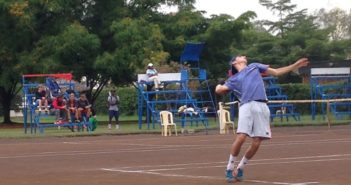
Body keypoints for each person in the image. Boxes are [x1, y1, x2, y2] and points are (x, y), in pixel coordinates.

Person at [215, 55, 309, 182]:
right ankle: (229, 168)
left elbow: (276, 72)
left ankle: (241, 168)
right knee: (242, 136)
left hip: (262, 105)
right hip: (246, 105)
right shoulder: (234, 79)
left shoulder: (254, 66)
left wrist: (294, 65)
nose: (244, 56)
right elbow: (220, 90)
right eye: (241, 56)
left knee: (257, 141)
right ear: (234, 62)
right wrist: (218, 87)